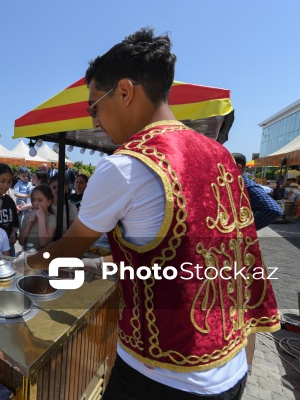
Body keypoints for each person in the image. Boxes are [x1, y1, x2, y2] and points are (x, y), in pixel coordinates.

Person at [27, 27, 279, 399]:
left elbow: (67, 250)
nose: (94, 121)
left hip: (164, 376)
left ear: (125, 92)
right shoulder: (220, 155)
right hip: (232, 364)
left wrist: (29, 261)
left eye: (94, 107)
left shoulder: (124, 166)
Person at [231, 153, 281, 229]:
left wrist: (245, 228)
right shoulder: (237, 185)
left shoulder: (248, 187)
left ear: (238, 168)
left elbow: (273, 210)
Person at [18, 185, 56, 250]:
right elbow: (21, 241)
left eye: (40, 200)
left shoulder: (51, 218)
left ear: (49, 202)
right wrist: (29, 225)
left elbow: (43, 242)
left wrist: (41, 218)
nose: (35, 203)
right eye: (33, 200)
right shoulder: (27, 217)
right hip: (27, 254)